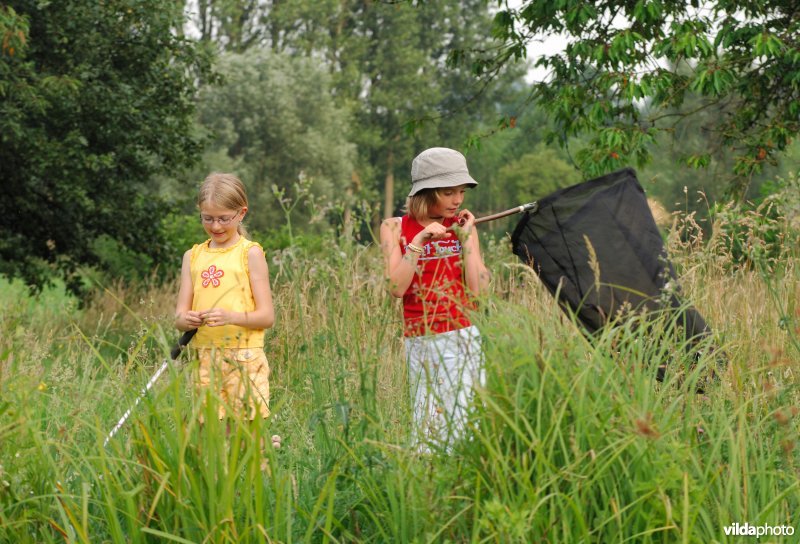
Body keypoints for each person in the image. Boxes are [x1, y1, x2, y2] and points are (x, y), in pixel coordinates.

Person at [380, 147, 490, 449]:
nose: (457, 200)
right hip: (420, 339)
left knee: (467, 426)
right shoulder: (394, 228)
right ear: (425, 192)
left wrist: (467, 239)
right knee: (428, 429)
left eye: (461, 192)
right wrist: (417, 242)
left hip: (463, 335)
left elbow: (478, 292)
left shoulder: (462, 224)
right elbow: (396, 288)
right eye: (448, 192)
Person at [174, 172, 280, 450]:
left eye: (224, 218)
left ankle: (262, 472)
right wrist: (186, 319)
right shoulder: (193, 256)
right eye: (207, 218)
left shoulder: (250, 254)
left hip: (244, 357)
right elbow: (179, 317)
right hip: (204, 358)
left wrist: (231, 316)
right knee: (209, 436)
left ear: (241, 213)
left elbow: (266, 316)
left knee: (245, 438)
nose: (216, 225)